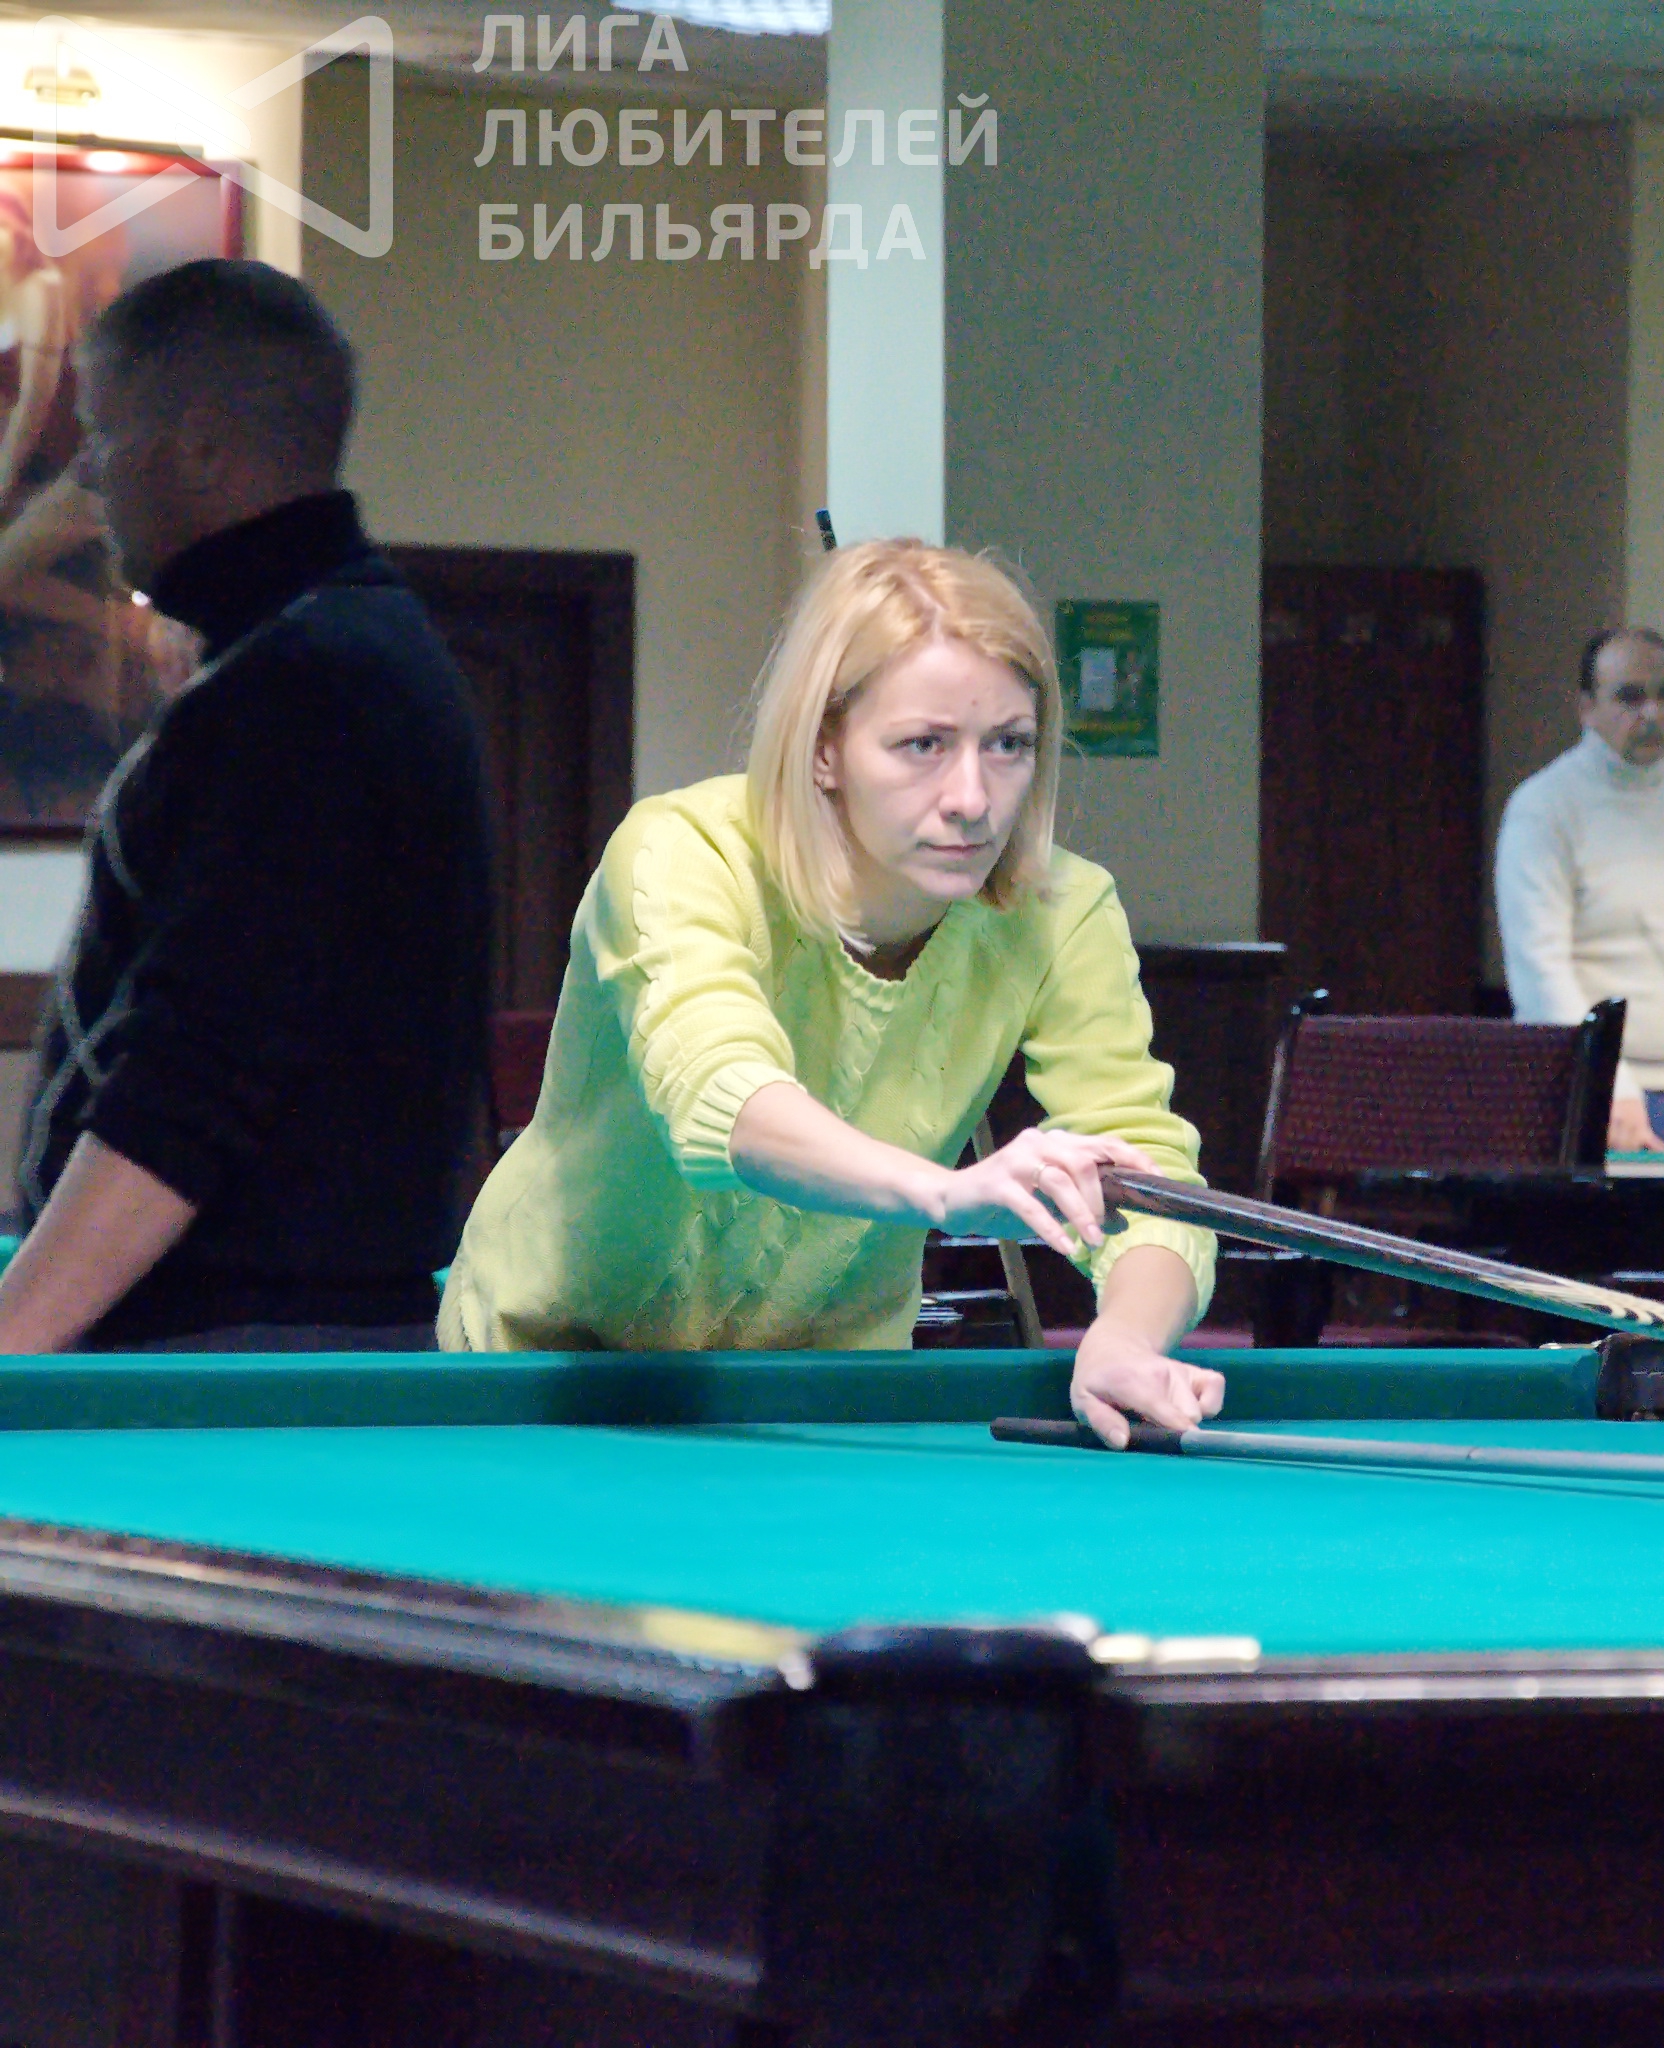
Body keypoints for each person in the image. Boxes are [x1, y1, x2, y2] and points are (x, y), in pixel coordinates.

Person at [438, 538, 1222, 1449]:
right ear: (823, 750)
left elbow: (1146, 1173)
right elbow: (721, 1100)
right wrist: (946, 1195)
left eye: (1008, 744)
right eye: (923, 745)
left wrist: (1124, 1339)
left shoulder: (1062, 910)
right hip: (543, 1375)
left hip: (822, 1402)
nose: (972, 798)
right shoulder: (682, 850)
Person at [0, 258, 494, 1351]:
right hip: (276, 1333)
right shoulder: (339, 648)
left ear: (204, 448)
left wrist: (12, 1343)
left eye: (105, 432)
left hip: (238, 1351)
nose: (87, 472)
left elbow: (194, 1076)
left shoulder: (306, 683)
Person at [1495, 626, 1664, 1157]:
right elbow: (1538, 970)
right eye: (1630, 697)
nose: (1652, 713)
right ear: (1586, 708)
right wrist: (1608, 1083)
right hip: (1584, 1092)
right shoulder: (1544, 807)